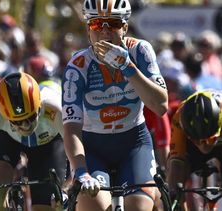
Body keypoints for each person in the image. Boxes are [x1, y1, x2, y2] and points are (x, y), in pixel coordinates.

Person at [61, 0, 168, 210]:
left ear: (125, 28)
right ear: (88, 30)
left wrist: (128, 67)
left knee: (138, 206)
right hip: (93, 148)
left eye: (113, 23)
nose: (105, 31)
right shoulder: (78, 66)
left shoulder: (140, 51)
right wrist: (81, 171)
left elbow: (160, 106)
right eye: (96, 24)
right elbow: (71, 129)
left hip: (134, 143)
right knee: (94, 205)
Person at [0, 72, 67, 211]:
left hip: (48, 144)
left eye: (30, 118)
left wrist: (67, 190)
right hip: (8, 139)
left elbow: (79, 154)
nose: (25, 126)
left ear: (40, 107)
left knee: (48, 206)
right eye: (18, 121)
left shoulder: (55, 108)